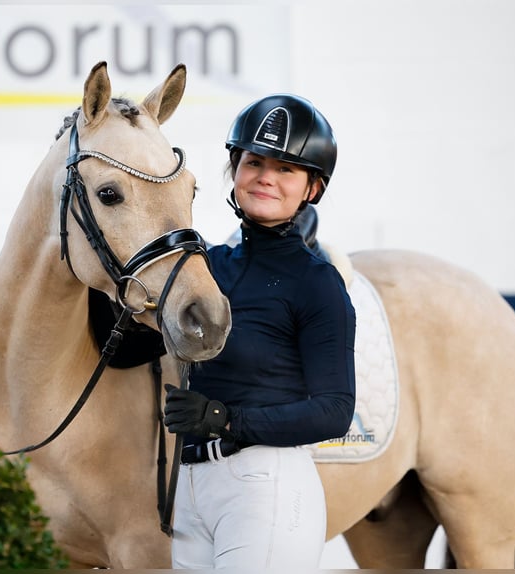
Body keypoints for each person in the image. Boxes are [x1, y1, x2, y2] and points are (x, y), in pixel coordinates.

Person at [163, 94, 356, 569]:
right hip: (182, 490)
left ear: (312, 188)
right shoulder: (206, 267)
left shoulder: (316, 281)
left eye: (286, 168)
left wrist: (227, 420)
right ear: (236, 170)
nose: (265, 177)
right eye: (254, 162)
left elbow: (335, 411)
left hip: (264, 486)